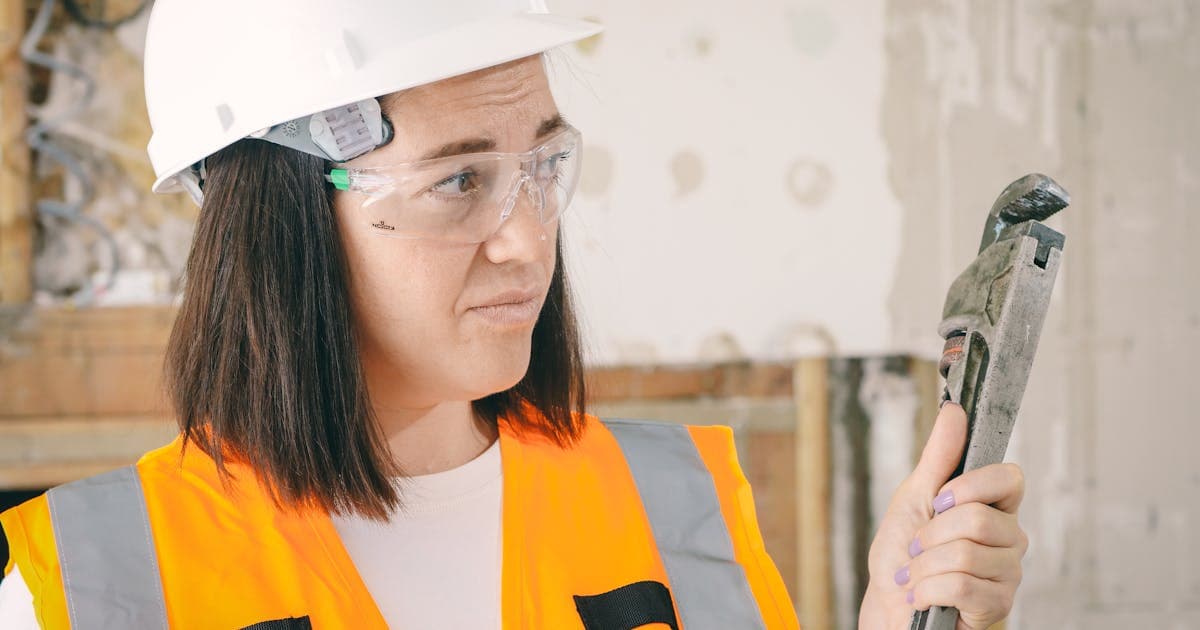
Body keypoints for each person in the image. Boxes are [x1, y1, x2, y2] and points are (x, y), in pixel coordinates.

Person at [0, 1, 1028, 628]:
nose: (529, 238)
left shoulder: (671, 507)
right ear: (281, 221)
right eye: (457, 183)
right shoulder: (97, 586)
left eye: (542, 165)